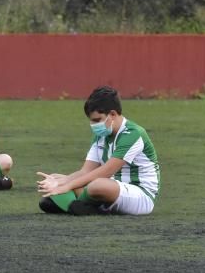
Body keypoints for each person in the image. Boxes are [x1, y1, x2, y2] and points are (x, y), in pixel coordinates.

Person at [37, 85, 160, 215]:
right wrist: (63, 181)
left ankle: (79, 205)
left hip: (140, 194)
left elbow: (106, 172)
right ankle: (83, 205)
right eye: (91, 121)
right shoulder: (101, 134)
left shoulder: (133, 133)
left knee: (96, 185)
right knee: (56, 178)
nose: (94, 125)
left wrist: (68, 186)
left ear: (112, 114)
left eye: (97, 120)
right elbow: (86, 171)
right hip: (111, 186)